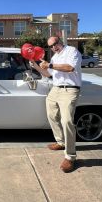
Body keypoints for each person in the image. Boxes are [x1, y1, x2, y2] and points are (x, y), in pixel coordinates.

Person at [30, 36, 82, 173]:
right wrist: (35, 65)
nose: (53, 47)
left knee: (67, 121)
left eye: (54, 44)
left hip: (69, 90)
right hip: (56, 89)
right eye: (50, 46)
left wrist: (49, 65)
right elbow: (48, 74)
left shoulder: (72, 51)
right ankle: (61, 142)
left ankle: (70, 156)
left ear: (60, 42)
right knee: (52, 115)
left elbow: (70, 68)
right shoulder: (54, 57)